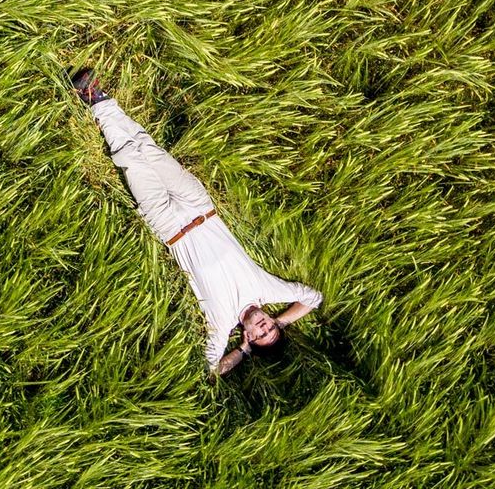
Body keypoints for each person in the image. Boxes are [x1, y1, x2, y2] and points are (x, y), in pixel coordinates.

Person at [69, 67, 323, 376]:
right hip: (199, 206)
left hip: (169, 225)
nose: (262, 326)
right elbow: (313, 298)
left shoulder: (221, 320)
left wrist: (242, 350)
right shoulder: (267, 290)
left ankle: (93, 98)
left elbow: (212, 367)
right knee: (148, 149)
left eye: (260, 335)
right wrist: (283, 321)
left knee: (131, 159)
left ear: (249, 337)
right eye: (270, 327)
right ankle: (103, 99)